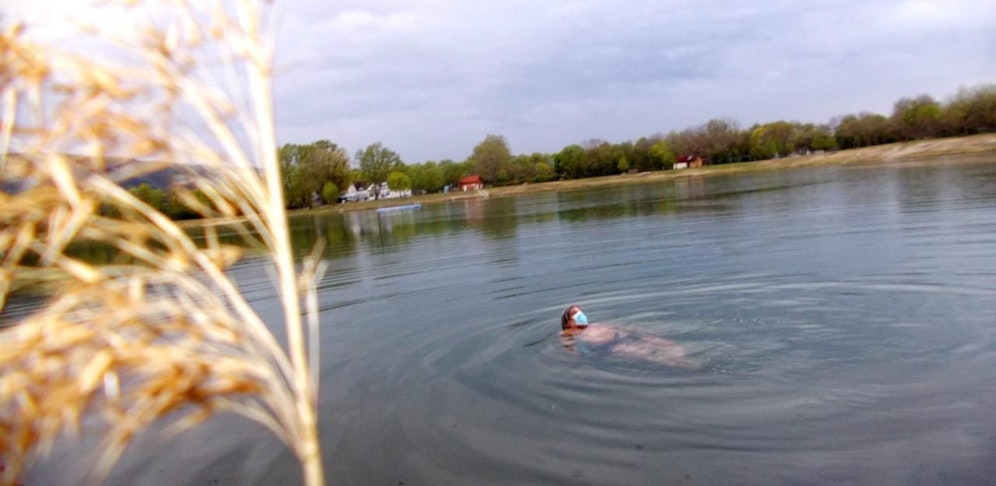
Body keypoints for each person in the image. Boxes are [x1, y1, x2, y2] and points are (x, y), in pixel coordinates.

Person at [560, 305, 701, 369]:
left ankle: (697, 358)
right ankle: (697, 367)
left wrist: (639, 332)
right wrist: (585, 356)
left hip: (631, 336)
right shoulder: (568, 332)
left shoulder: (595, 325)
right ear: (569, 321)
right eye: (576, 314)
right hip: (616, 345)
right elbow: (573, 352)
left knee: (670, 345)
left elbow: (621, 327)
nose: (582, 315)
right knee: (653, 354)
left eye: (581, 312)